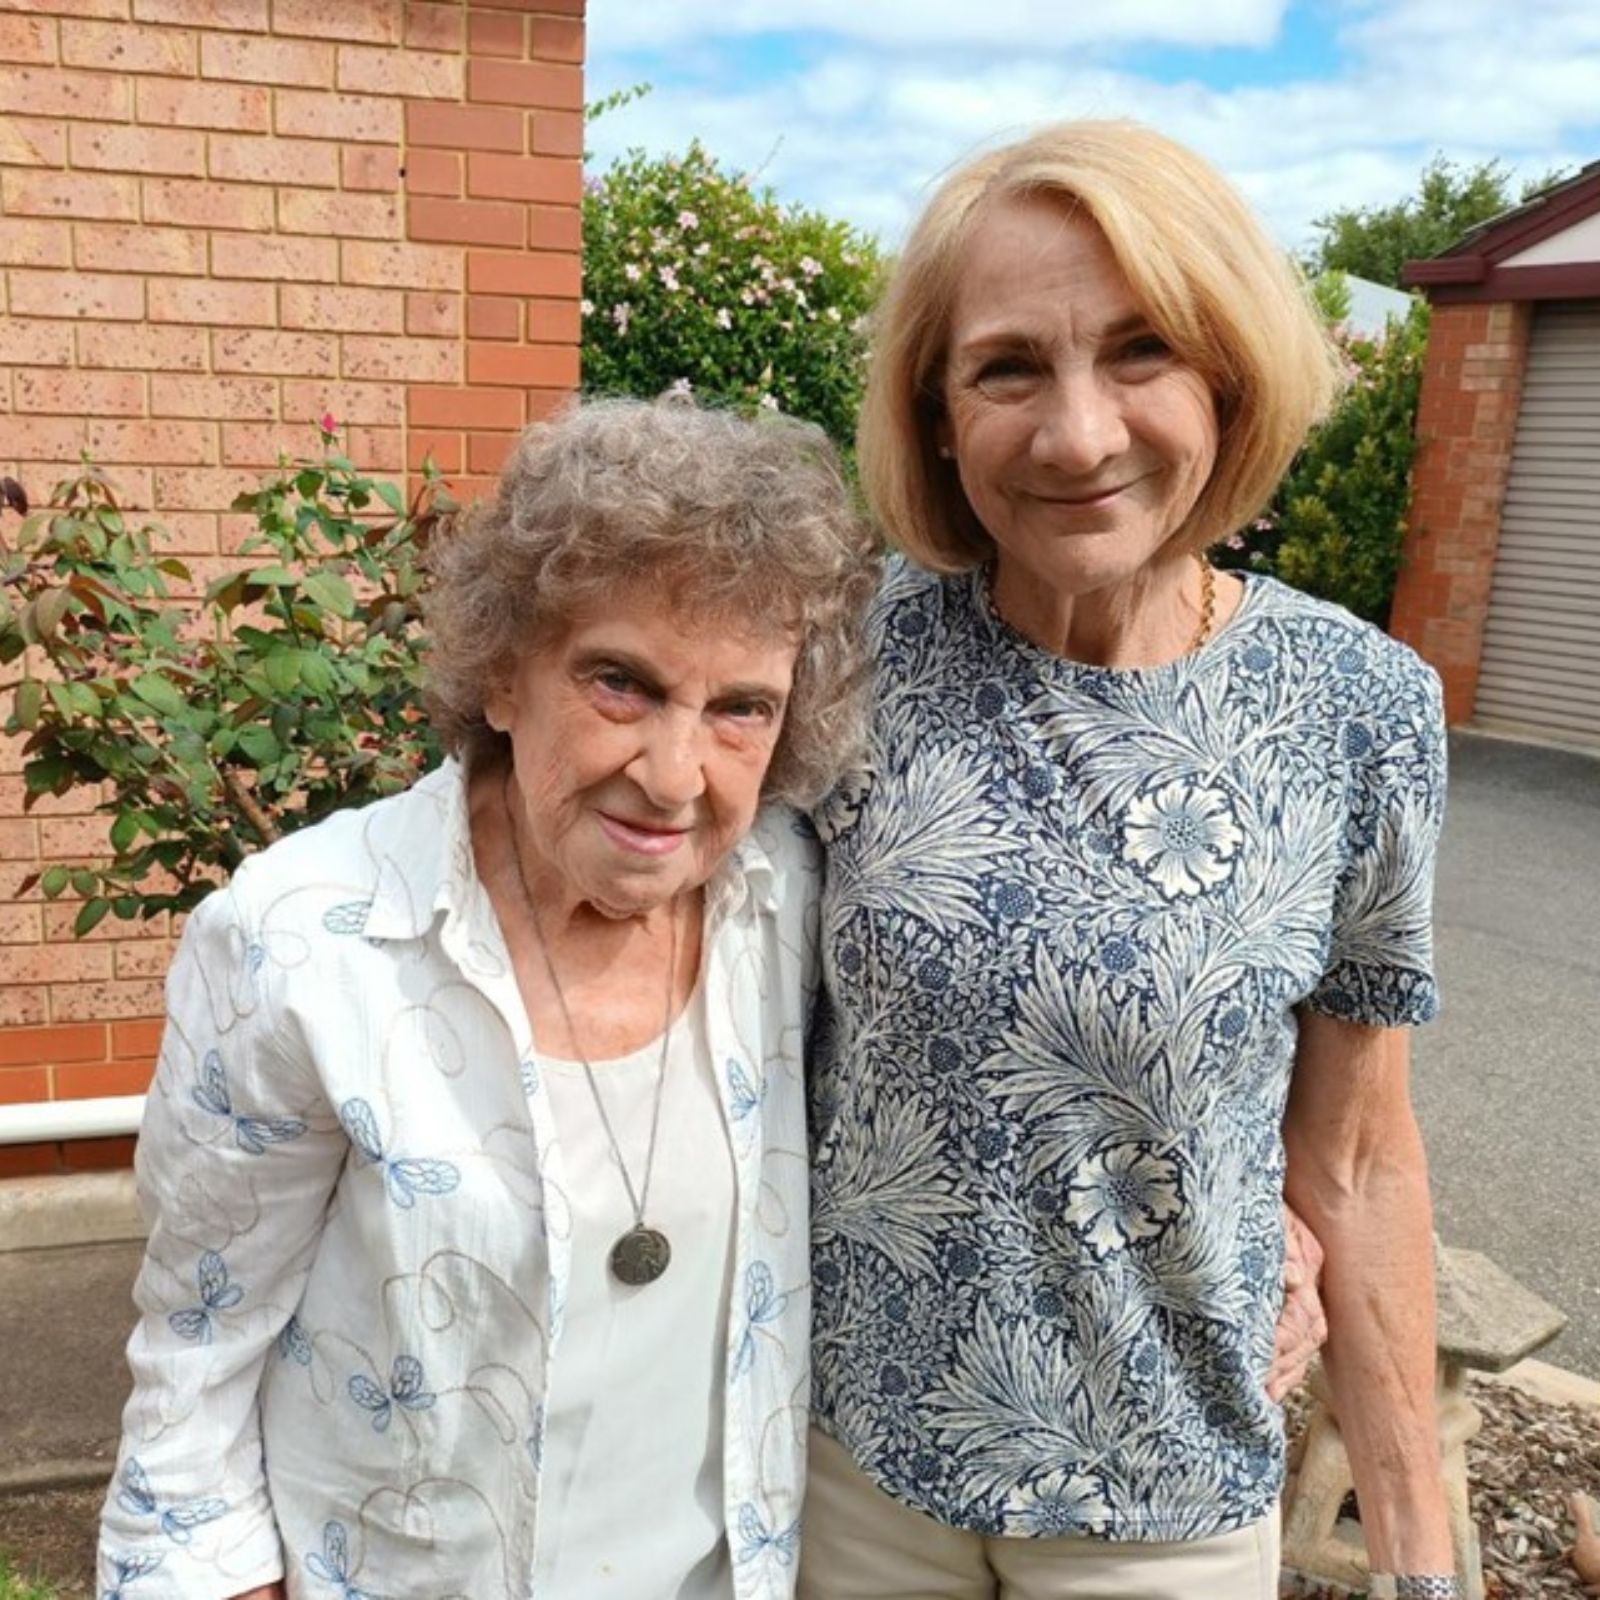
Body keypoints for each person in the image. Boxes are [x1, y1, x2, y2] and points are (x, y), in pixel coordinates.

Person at [802, 120, 1457, 1599]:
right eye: (1008, 368)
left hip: (1165, 1495)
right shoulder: (841, 653)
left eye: (1142, 350)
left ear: (1229, 376)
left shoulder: (1356, 708)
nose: (1078, 435)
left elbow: (1358, 1155)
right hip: (853, 1465)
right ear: (936, 413)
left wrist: (1421, 1561)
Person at [96, 397, 879, 1599]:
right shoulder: (303, 940)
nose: (676, 776)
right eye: (621, 682)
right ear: (505, 673)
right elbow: (197, 1353)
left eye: (741, 708)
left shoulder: (781, 904)